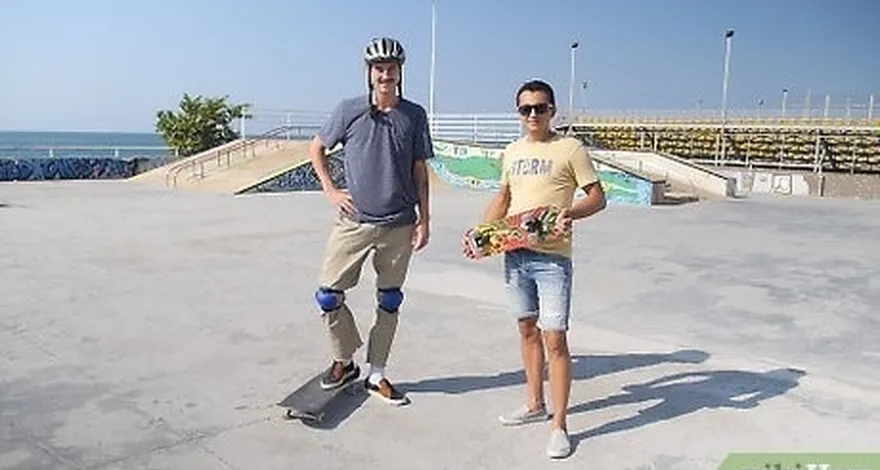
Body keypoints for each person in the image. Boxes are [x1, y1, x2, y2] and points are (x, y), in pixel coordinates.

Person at [463, 79, 606, 458]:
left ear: (552, 110)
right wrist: (482, 233)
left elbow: (597, 197)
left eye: (540, 108)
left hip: (553, 259)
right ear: (518, 113)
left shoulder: (570, 149)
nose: (533, 115)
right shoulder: (511, 151)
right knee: (526, 330)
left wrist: (569, 213)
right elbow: (504, 197)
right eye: (526, 109)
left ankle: (560, 425)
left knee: (554, 339)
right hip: (516, 254)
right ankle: (534, 404)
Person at [307, 36, 433, 406]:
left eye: (391, 68)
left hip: (399, 223)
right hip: (354, 222)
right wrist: (331, 189)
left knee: (390, 299)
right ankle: (344, 360)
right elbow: (316, 147)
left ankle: (376, 373)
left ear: (399, 72)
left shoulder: (414, 115)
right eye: (379, 68)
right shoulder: (349, 110)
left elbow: (420, 172)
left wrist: (425, 220)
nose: (385, 74)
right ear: (369, 72)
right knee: (328, 295)